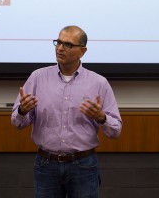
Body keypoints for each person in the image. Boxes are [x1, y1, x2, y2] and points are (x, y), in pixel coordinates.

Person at [11, 25, 122, 198]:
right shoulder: (38, 78)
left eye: (68, 45)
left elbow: (115, 130)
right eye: (58, 42)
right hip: (46, 164)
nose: (60, 48)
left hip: (83, 165)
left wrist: (101, 118)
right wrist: (22, 110)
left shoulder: (98, 83)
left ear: (83, 51)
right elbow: (17, 123)